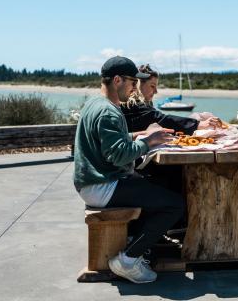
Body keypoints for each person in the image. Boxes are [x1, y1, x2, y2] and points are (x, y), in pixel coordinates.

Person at [73, 56, 183, 284]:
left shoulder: (96, 104)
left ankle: (136, 242)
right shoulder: (109, 112)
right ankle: (128, 259)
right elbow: (118, 154)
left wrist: (139, 135)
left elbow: (111, 142)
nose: (135, 88)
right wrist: (148, 142)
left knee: (159, 188)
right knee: (175, 204)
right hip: (102, 185)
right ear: (117, 80)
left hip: (94, 181)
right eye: (133, 82)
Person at [120, 64, 221, 191]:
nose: (155, 91)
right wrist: (198, 125)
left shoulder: (140, 104)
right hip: (132, 166)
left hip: (134, 161)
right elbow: (161, 119)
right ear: (139, 84)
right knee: (180, 171)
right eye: (152, 86)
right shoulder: (132, 105)